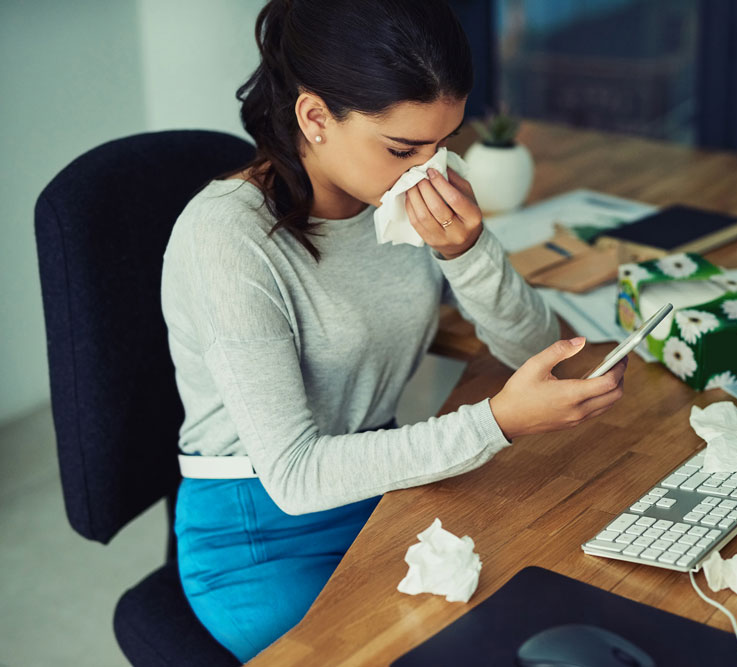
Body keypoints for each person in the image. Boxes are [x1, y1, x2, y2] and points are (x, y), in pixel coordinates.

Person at [160, 0, 627, 661]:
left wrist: (468, 250)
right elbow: (293, 474)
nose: (428, 169)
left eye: (444, 142)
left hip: (383, 486)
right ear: (315, 117)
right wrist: (495, 422)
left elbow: (535, 348)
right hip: (262, 530)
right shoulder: (227, 240)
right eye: (404, 148)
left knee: (554, 603)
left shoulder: (409, 189)